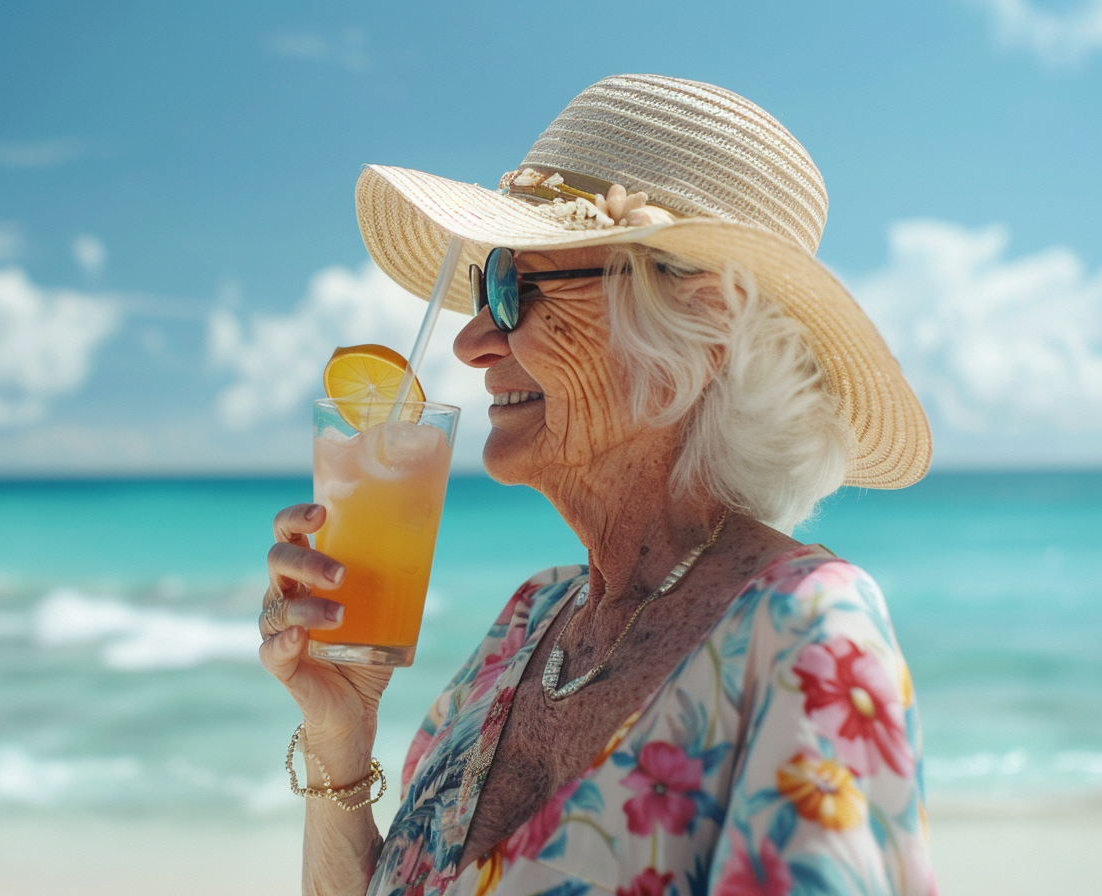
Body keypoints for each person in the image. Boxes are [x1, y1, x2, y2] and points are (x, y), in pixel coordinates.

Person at [260, 74, 937, 896]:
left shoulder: (804, 629)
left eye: (515, 288)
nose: (474, 341)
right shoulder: (526, 626)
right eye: (484, 286)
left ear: (703, 327)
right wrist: (341, 732)